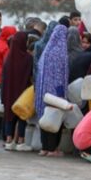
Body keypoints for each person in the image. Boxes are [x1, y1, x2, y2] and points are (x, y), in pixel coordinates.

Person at [35, 24, 69, 157]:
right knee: (55, 121)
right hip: (56, 92)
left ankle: (44, 148)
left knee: (45, 119)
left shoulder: (47, 50)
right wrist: (62, 93)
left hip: (44, 92)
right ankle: (53, 148)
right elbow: (62, 74)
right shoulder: (61, 52)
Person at [1, 31, 34, 152]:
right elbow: (31, 75)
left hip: (9, 93)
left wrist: (3, 95)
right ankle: (20, 140)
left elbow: (3, 78)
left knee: (9, 115)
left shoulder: (8, 59)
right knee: (21, 116)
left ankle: (9, 140)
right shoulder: (29, 58)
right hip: (23, 93)